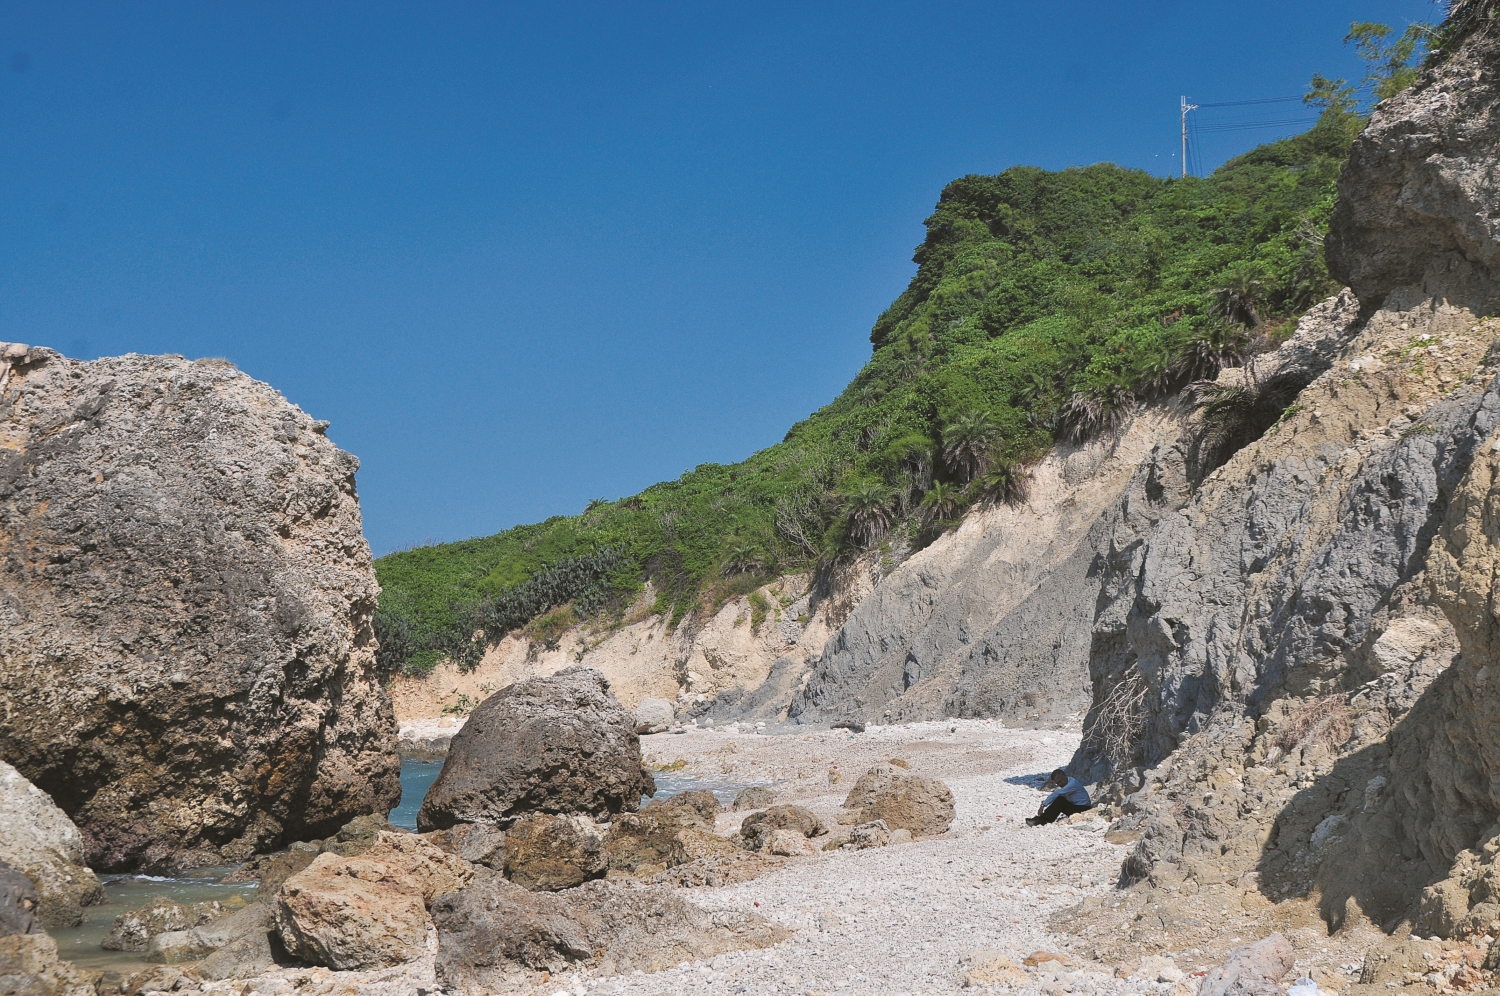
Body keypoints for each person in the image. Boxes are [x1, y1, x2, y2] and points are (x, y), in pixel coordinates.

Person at [1025, 768, 1091, 826]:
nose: (1060, 784)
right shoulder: (1069, 781)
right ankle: (1043, 818)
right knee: (1058, 800)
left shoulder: (1072, 784)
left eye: (1060, 781)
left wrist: (1043, 805)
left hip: (1083, 808)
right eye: (1058, 783)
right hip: (1077, 806)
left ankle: (1043, 820)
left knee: (1060, 800)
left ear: (1065, 775)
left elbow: (1057, 793)